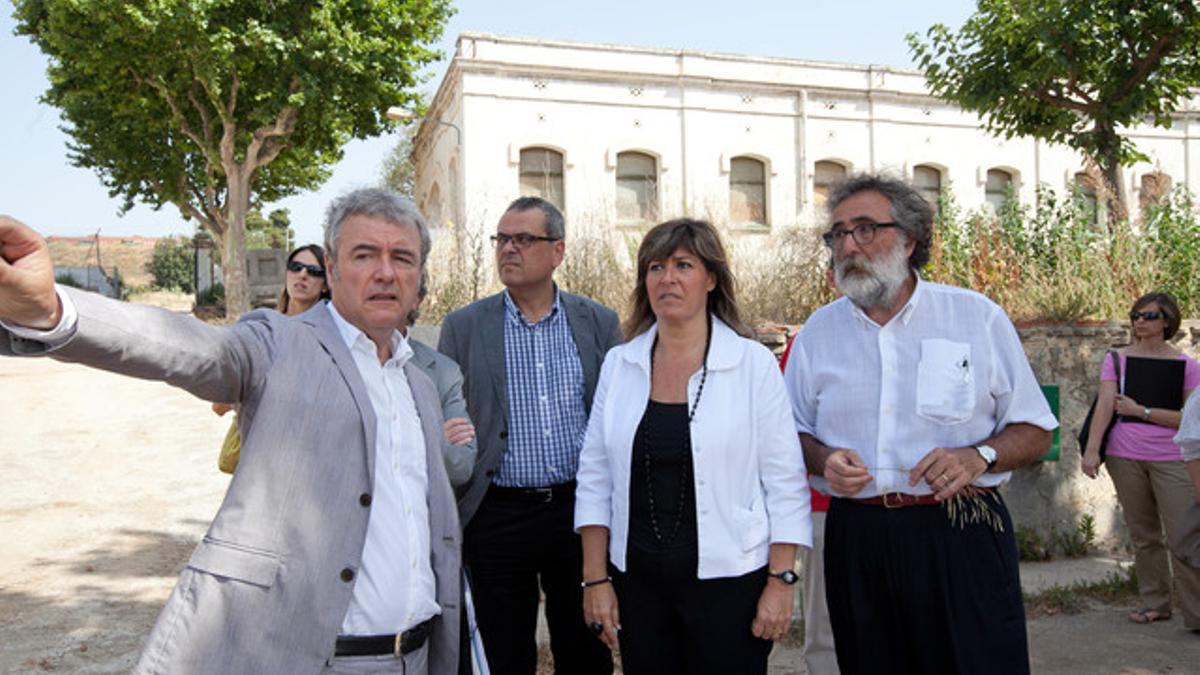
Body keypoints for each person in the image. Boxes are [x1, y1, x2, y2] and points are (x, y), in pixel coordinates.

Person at [0, 188, 461, 674]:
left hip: (417, 657)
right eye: (364, 255)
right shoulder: (277, 343)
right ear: (330, 267)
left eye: (402, 258)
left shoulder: (419, 386)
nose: (386, 272)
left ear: (418, 277)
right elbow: (188, 348)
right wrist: (51, 310)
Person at [784, 173, 1057, 675]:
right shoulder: (820, 333)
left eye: (865, 229)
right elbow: (790, 433)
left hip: (960, 526)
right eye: (838, 234)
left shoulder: (976, 318)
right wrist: (822, 459)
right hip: (857, 536)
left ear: (910, 239)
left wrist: (979, 456)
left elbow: (1037, 429)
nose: (848, 245)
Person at [575, 218, 811, 674]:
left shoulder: (752, 366)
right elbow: (595, 475)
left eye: (684, 265)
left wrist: (782, 581)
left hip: (731, 583)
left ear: (712, 279)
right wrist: (595, 578)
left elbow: (784, 480)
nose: (668, 278)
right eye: (656, 267)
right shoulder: (620, 365)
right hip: (638, 585)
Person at [438, 196, 619, 675]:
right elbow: (449, 415)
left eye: (523, 239)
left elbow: (615, 416)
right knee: (501, 652)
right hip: (496, 512)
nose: (508, 249)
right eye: (501, 239)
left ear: (557, 251)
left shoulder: (598, 322)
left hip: (577, 512)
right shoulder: (464, 326)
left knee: (585, 648)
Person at [1081, 292, 1200, 630]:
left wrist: (1141, 411)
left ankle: (1197, 614)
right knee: (1144, 535)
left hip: (1172, 457)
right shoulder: (1116, 359)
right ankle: (1156, 603)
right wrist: (1092, 450)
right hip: (1124, 455)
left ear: (1167, 321)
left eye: (1148, 315)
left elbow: (1190, 421)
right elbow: (1105, 407)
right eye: (1135, 315)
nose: (1139, 321)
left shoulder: (1187, 367)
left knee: (1185, 536)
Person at [214, 243, 330, 473]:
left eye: (314, 271)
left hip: (308, 457)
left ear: (326, 285)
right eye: (296, 267)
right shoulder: (262, 328)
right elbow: (219, 405)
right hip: (259, 450)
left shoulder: (334, 336)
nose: (302, 274)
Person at [406, 269, 477, 487]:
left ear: (417, 299)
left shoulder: (443, 372)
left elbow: (461, 466)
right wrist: (432, 437)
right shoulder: (326, 359)